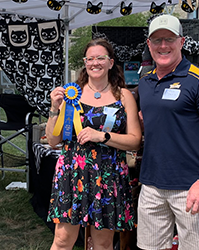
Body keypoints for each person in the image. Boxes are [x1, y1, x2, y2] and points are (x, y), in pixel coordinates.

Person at [137, 15, 199, 250]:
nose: (163, 46)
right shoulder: (145, 82)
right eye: (157, 40)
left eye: (169, 39)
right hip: (151, 186)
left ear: (182, 41)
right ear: (149, 45)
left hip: (191, 187)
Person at [46, 38, 142, 250]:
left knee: (103, 243)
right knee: (62, 240)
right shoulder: (72, 95)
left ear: (110, 63)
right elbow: (53, 141)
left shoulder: (124, 96)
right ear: (85, 62)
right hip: (72, 173)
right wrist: (54, 108)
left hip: (108, 175)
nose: (95, 63)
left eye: (101, 58)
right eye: (91, 58)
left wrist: (103, 136)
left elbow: (135, 140)